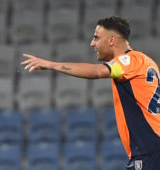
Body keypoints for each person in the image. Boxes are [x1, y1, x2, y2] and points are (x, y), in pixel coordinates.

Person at [21, 16, 160, 170]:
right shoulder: (147, 62)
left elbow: (98, 71)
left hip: (149, 147)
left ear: (112, 40)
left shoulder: (129, 61)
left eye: (96, 37)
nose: (92, 43)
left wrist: (51, 64)